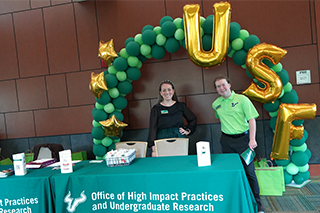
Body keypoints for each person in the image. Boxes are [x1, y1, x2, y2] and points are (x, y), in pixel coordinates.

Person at [212, 75, 264, 213]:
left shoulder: (242, 99)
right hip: (227, 142)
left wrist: (252, 139)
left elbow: (252, 120)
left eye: (223, 84)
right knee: (234, 172)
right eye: (218, 86)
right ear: (216, 89)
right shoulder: (216, 104)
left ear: (229, 84)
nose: (221, 88)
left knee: (249, 172)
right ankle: (237, 201)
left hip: (244, 142)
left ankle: (258, 204)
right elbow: (221, 119)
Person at [147, 80, 197, 157]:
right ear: (160, 93)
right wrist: (153, 146)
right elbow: (153, 128)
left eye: (169, 89)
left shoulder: (181, 106)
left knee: (180, 162)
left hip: (179, 139)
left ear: (173, 91)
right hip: (162, 140)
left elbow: (193, 119)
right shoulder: (156, 109)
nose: (167, 92)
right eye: (164, 90)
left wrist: (188, 131)